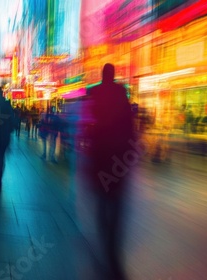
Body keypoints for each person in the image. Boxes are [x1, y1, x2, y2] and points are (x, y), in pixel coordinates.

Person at [84, 63, 134, 280]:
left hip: (100, 157)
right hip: (119, 158)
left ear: (102, 75)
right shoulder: (122, 96)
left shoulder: (95, 95)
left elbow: (90, 126)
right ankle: (112, 244)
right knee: (116, 201)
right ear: (113, 75)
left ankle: (105, 238)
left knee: (102, 200)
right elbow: (131, 129)